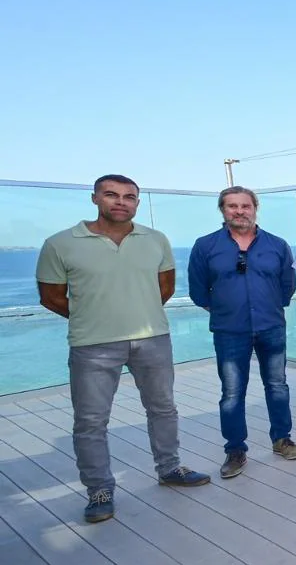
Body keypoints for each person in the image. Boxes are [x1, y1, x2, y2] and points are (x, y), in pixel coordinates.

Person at [36, 174, 210, 523]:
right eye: (111, 195)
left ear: (137, 203)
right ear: (95, 198)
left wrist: (135, 314)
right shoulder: (60, 243)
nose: (120, 202)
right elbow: (51, 296)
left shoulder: (155, 240)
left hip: (152, 340)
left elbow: (165, 288)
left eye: (129, 197)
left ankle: (170, 468)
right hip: (92, 346)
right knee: (90, 422)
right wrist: (94, 317)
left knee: (163, 409)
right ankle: (99, 489)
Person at [188, 186, 296, 479]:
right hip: (229, 330)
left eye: (245, 206)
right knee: (231, 393)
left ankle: (282, 439)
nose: (239, 211)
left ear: (255, 208)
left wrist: (268, 308)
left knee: (277, 386)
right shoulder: (205, 246)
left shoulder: (277, 245)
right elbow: (198, 291)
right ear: (222, 210)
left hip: (271, 327)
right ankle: (235, 449)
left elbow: (287, 286)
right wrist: (228, 311)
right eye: (232, 206)